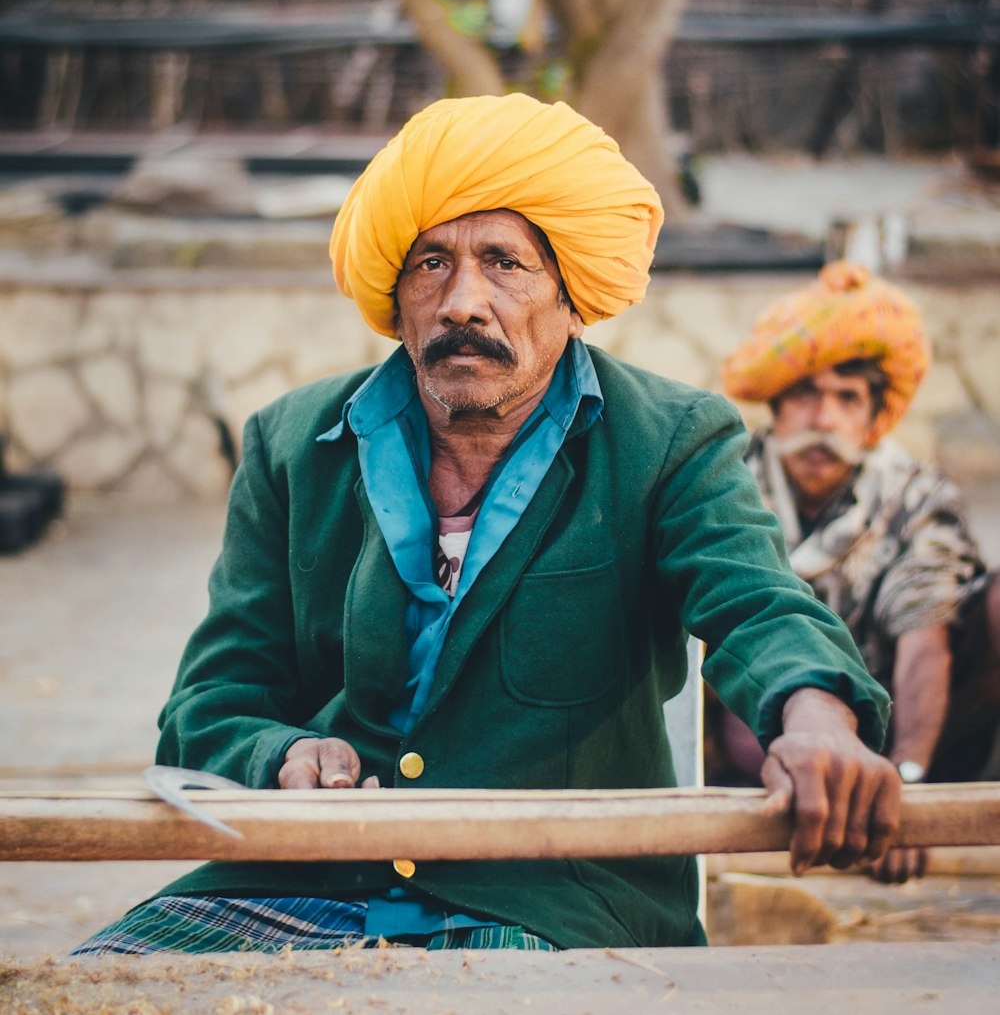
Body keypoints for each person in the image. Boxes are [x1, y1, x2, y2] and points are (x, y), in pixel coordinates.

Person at [75, 95, 898, 956]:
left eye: (505, 263)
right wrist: (281, 753)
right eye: (432, 262)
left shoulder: (668, 441)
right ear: (396, 300)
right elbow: (209, 704)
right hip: (303, 881)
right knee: (91, 986)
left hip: (553, 904)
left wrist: (814, 718)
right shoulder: (290, 445)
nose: (464, 300)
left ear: (573, 300)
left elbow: (756, 604)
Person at [718, 260, 1000, 882]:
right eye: (805, 395)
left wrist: (903, 787)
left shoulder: (915, 494)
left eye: (847, 400)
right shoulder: (722, 480)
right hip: (757, 737)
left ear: (873, 420)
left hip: (903, 735)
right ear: (776, 407)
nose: (824, 420)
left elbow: (925, 632)